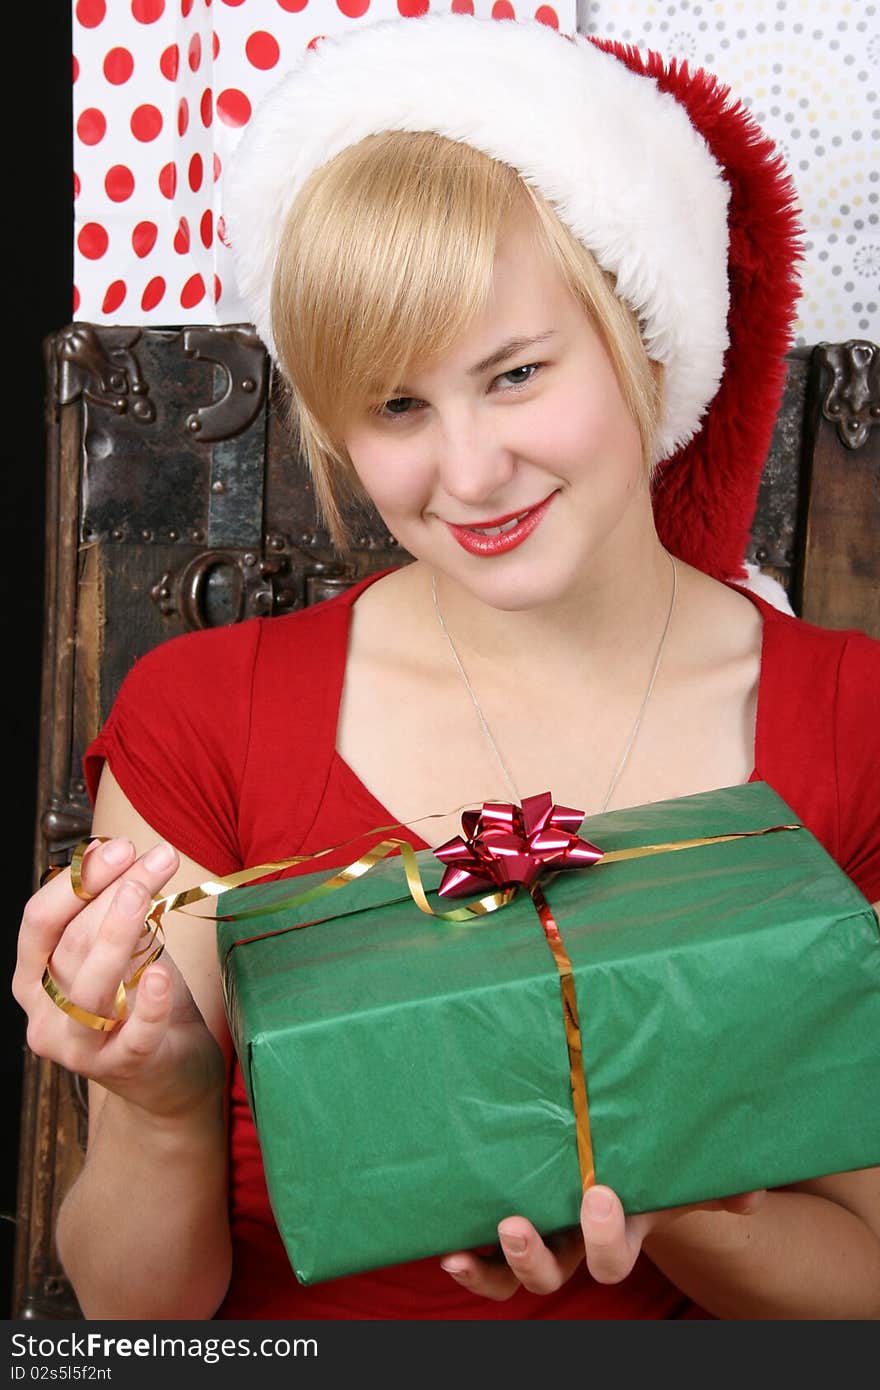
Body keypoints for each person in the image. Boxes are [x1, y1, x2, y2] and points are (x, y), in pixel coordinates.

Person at [13, 14, 880, 1320]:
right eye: (398, 406)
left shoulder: (855, 724)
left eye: (518, 374)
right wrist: (160, 1100)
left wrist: (662, 1188)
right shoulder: (206, 715)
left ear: (644, 338)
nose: (468, 475)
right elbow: (136, 1321)